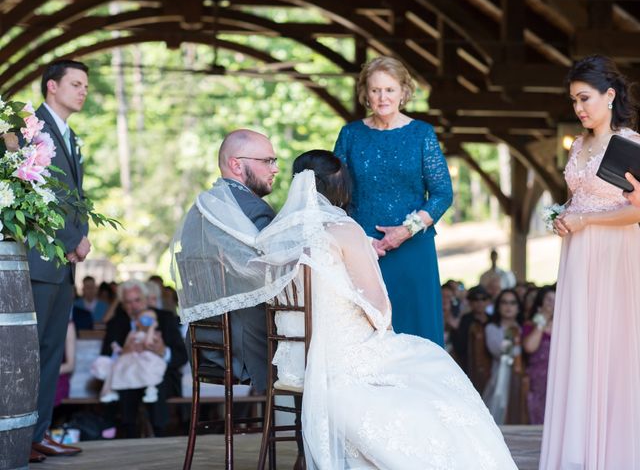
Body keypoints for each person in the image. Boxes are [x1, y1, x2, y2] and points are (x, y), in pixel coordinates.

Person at [173, 150, 517, 469]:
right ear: (338, 186)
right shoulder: (345, 229)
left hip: (294, 362)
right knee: (435, 365)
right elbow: (380, 309)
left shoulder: (274, 235)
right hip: (342, 355)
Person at [542, 55, 640, 469]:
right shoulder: (580, 144)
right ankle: (579, 449)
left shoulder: (630, 143)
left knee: (611, 348)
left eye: (585, 98)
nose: (579, 108)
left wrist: (585, 219)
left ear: (610, 96)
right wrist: (564, 216)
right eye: (574, 101)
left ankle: (614, 452)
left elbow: (637, 209)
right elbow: (581, 196)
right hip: (578, 254)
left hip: (615, 256)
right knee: (579, 346)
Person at [333, 56, 453, 345]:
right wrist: (360, 240)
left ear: (403, 92)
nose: (382, 97)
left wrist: (405, 231)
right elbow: (335, 194)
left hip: (413, 248)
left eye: (389, 89)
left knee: (415, 328)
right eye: (375, 90)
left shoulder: (421, 134)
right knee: (365, 328)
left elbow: (442, 193)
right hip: (363, 250)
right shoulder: (351, 135)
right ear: (365, 94)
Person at [174, 129, 278, 393]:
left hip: (205, 339)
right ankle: (306, 430)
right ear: (236, 164)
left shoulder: (199, 209)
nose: (274, 169)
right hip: (247, 343)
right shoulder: (254, 211)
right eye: (267, 161)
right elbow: (273, 276)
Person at [29, 60, 91, 462]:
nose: (83, 91)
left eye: (86, 85)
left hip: (63, 263)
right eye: (75, 83)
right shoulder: (29, 131)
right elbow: (32, 190)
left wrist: (83, 235)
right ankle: (18, 433)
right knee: (29, 351)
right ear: (52, 86)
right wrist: (73, 238)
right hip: (39, 259)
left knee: (51, 350)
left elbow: (72, 196)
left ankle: (38, 432)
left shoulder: (70, 136)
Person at [100, 280, 187, 437]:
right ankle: (130, 434)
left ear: (146, 299)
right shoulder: (116, 323)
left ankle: (160, 435)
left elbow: (182, 357)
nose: (134, 306)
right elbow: (106, 356)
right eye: (128, 302)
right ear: (122, 304)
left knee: (155, 383)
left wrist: (162, 351)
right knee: (126, 382)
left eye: (137, 300)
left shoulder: (165, 318)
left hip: (162, 375)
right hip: (127, 373)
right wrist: (124, 352)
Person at [95, 308, 167, 404]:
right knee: (117, 366)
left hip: (147, 358)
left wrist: (151, 328)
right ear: (137, 322)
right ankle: (112, 390)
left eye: (151, 319)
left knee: (149, 368)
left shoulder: (156, 334)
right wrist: (126, 349)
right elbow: (125, 347)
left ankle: (151, 389)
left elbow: (148, 343)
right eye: (144, 318)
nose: (147, 321)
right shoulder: (132, 334)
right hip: (132, 358)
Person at [482, 289, 523, 425]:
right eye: (504, 302)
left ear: (518, 307)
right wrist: (513, 337)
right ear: (498, 306)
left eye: (512, 303)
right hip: (499, 377)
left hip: (523, 378)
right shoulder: (492, 328)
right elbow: (498, 351)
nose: (508, 307)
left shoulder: (524, 328)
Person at [522, 285, 555, 425]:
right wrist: (542, 322)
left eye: (555, 300)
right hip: (538, 378)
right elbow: (529, 347)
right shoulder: (531, 325)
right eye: (548, 300)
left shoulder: (566, 325)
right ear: (541, 302)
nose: (552, 304)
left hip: (558, 375)